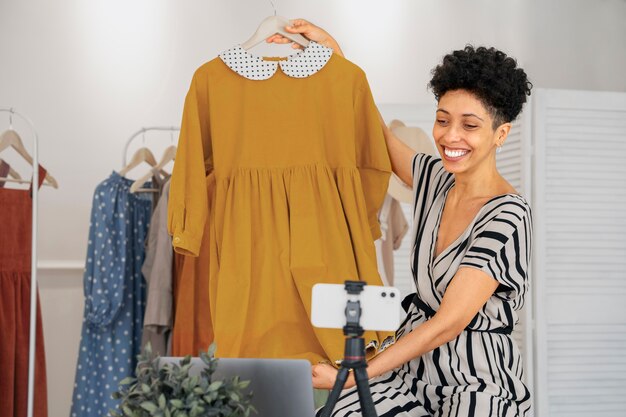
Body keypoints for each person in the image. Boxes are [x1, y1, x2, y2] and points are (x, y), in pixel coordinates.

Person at [268, 20, 534, 417]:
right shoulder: (435, 180)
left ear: (501, 133)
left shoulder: (508, 215)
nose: (450, 136)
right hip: (412, 368)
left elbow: (448, 323)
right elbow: (375, 133)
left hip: (476, 382)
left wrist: (356, 373)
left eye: (470, 125)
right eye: (443, 119)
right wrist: (334, 58)